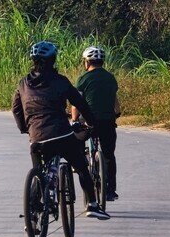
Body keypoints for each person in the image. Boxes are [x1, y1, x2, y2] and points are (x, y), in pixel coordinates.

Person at [12, 41, 110, 219]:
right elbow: (80, 103)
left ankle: (33, 212)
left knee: (39, 172)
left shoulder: (23, 83)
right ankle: (92, 205)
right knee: (81, 166)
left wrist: (25, 128)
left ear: (33, 61)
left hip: (36, 138)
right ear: (53, 60)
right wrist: (91, 123)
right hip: (61, 134)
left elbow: (16, 109)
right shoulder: (61, 81)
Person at [71, 46, 119, 201]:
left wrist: (74, 120)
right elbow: (115, 101)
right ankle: (110, 190)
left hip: (88, 122)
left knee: (76, 138)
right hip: (107, 122)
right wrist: (116, 114)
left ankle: (82, 161)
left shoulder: (83, 79)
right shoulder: (110, 78)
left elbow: (76, 103)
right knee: (109, 155)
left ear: (87, 62)